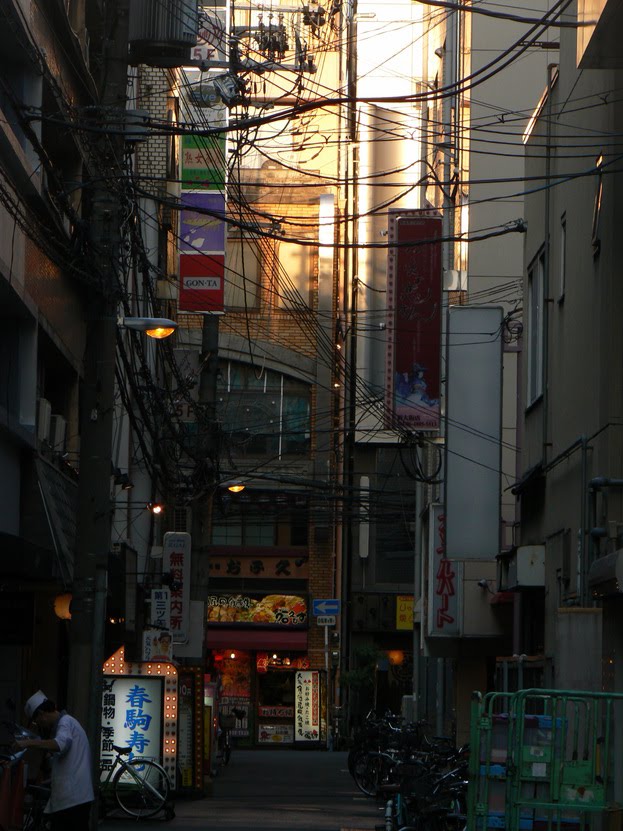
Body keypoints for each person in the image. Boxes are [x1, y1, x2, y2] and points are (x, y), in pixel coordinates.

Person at [13, 690, 94, 831]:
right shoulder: (68, 724)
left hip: (72, 801)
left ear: (41, 715)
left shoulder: (65, 722)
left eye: (36, 721)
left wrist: (29, 743)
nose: (39, 725)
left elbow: (60, 744)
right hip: (74, 799)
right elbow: (69, 762)